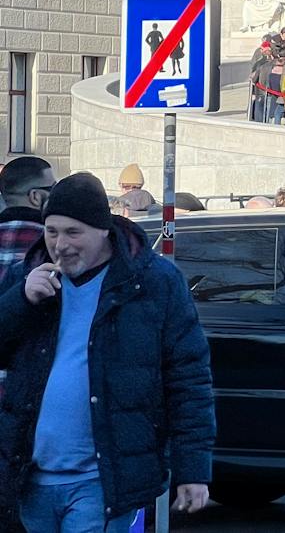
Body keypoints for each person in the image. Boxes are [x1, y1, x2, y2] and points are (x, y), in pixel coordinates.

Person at [0, 173, 215, 531]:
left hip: (102, 481)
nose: (60, 245)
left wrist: (193, 470)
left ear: (103, 230)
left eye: (73, 233)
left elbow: (188, 380)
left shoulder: (152, 283)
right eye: (52, 232)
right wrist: (20, 300)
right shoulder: (33, 275)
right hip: (31, 478)